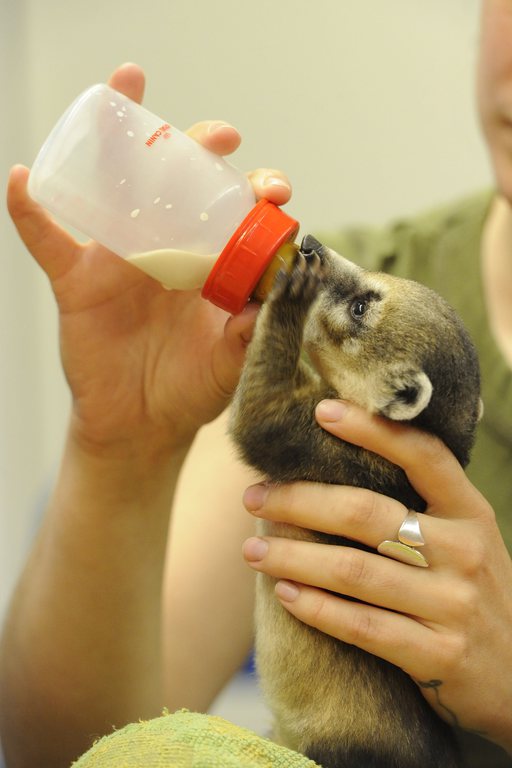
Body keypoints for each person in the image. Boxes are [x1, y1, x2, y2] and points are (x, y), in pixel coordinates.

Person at [1, 0, 512, 763]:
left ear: (403, 393)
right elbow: (69, 748)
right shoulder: (365, 305)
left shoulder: (349, 334)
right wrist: (121, 446)